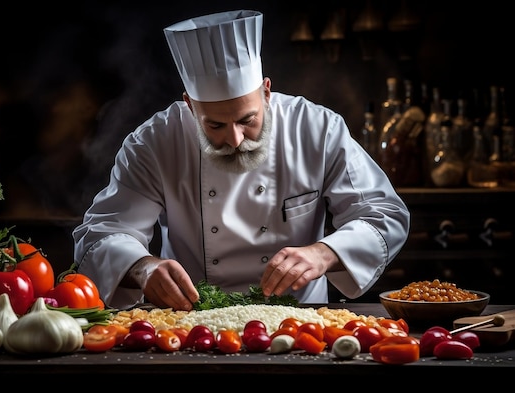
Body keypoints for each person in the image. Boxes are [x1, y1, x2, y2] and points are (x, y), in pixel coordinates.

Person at [72, 10, 410, 311]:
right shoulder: (155, 142)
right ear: (190, 106)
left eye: (247, 120)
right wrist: (143, 267)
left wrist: (323, 254)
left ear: (266, 92)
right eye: (215, 125)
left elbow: (384, 215)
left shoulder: (317, 128)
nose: (234, 140)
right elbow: (101, 234)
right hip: (192, 322)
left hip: (300, 321)